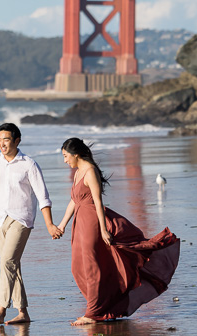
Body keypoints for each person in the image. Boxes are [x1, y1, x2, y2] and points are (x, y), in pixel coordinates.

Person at [56, 137, 180, 325]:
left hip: (92, 222)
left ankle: (92, 313)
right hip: (79, 223)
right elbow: (74, 200)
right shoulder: (77, 172)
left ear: (76, 154)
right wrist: (62, 225)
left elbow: (98, 201)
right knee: (78, 267)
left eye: (66, 156)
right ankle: (101, 306)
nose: (65, 160)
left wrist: (104, 229)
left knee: (92, 266)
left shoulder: (90, 171)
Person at [0, 122, 62, 325]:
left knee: (7, 262)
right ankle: (23, 312)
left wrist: (49, 224)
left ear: (17, 140)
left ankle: (1, 308)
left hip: (21, 219)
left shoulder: (29, 164)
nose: (1, 144)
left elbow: (43, 197)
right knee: (12, 264)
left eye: (6, 139)